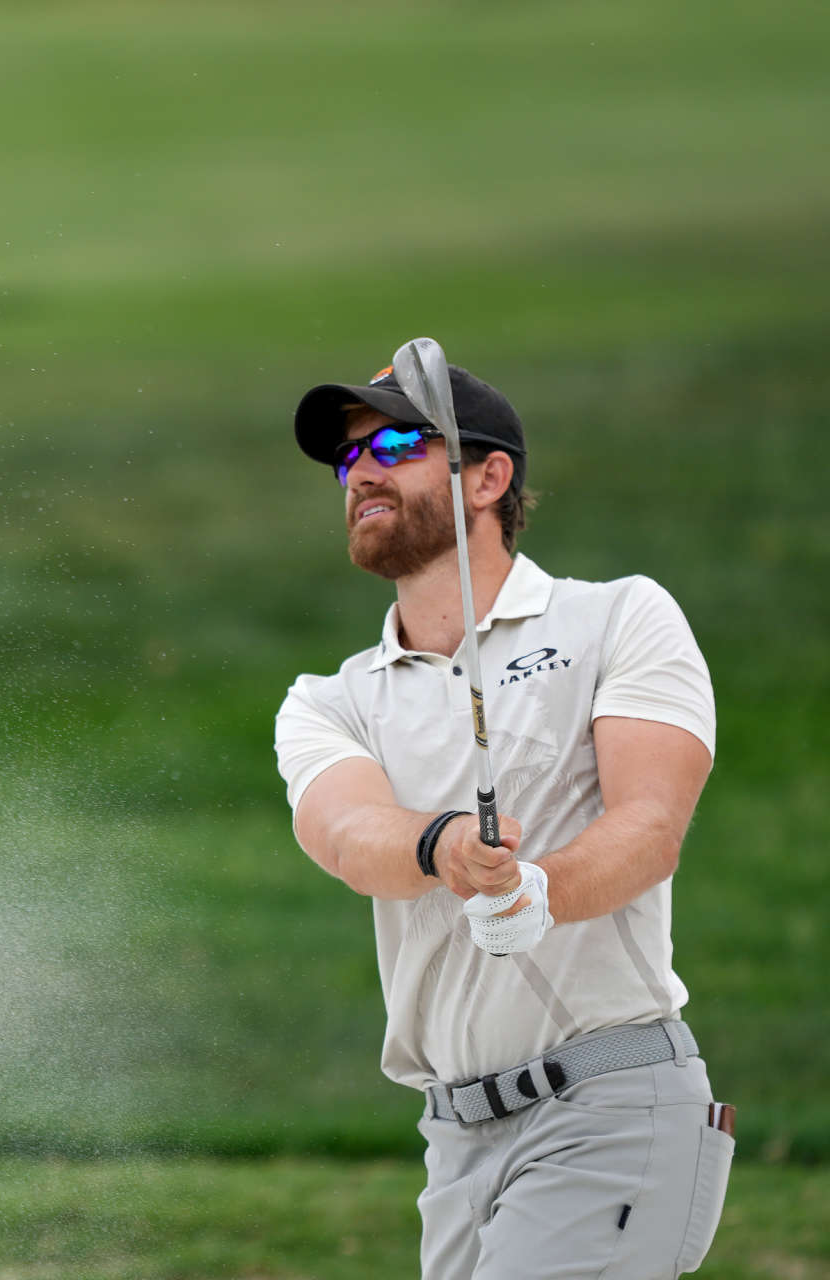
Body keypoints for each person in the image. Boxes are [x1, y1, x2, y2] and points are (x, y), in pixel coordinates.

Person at [272, 354, 734, 1278]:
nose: (362, 469)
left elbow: (651, 825)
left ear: (490, 476)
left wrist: (541, 889)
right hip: (455, 1143)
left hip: (610, 1102)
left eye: (398, 442)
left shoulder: (618, 620)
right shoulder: (329, 701)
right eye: (346, 458)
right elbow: (348, 833)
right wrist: (442, 846)